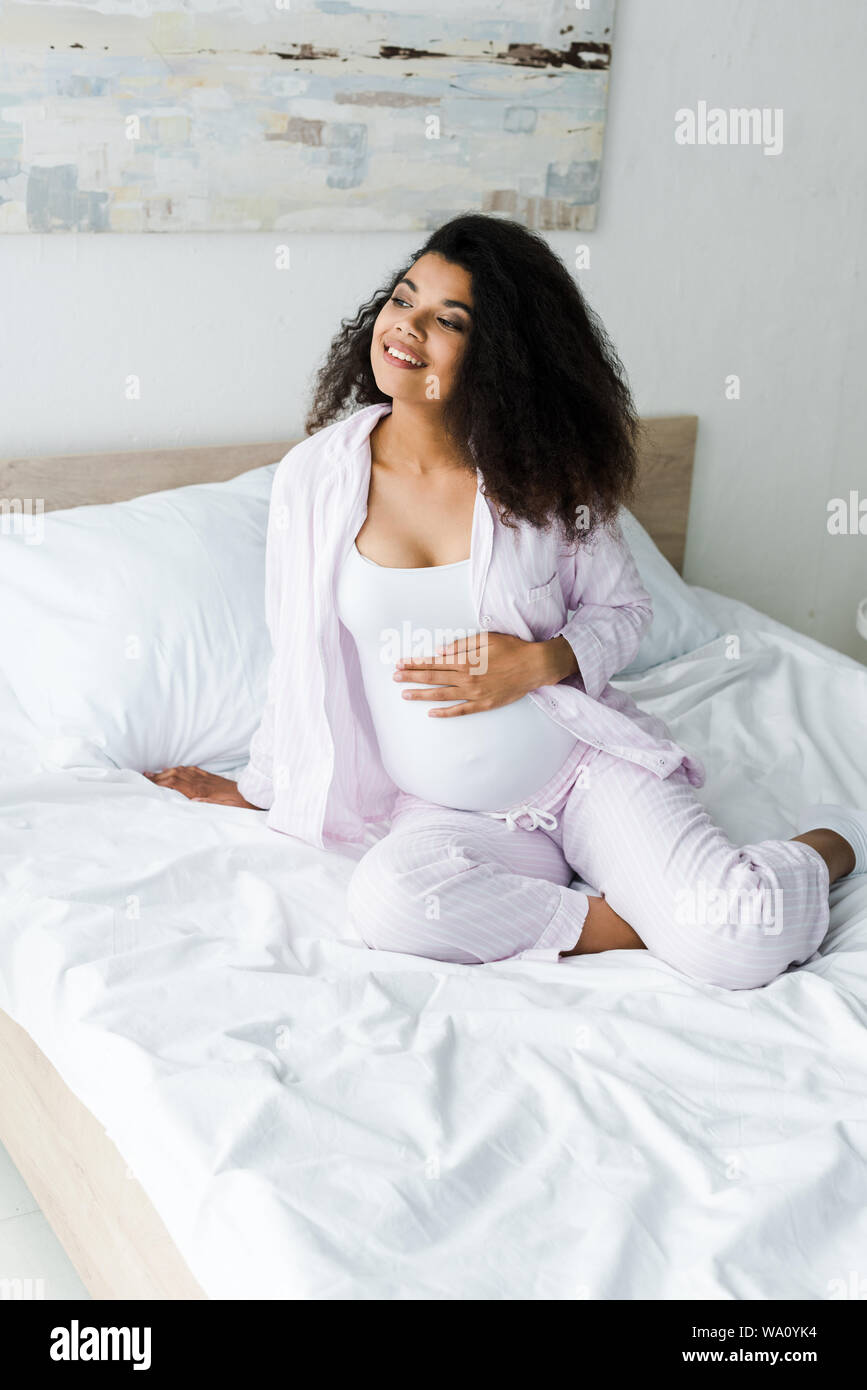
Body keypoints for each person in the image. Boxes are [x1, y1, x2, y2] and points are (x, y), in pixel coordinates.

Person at [145, 214, 865, 988]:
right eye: (402, 299)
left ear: (499, 359)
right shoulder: (314, 478)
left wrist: (539, 661)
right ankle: (626, 921)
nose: (406, 328)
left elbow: (625, 612)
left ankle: (822, 850)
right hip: (447, 814)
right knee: (390, 904)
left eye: (447, 321)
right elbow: (298, 654)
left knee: (739, 944)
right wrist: (263, 790)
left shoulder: (541, 477)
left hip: (582, 774)